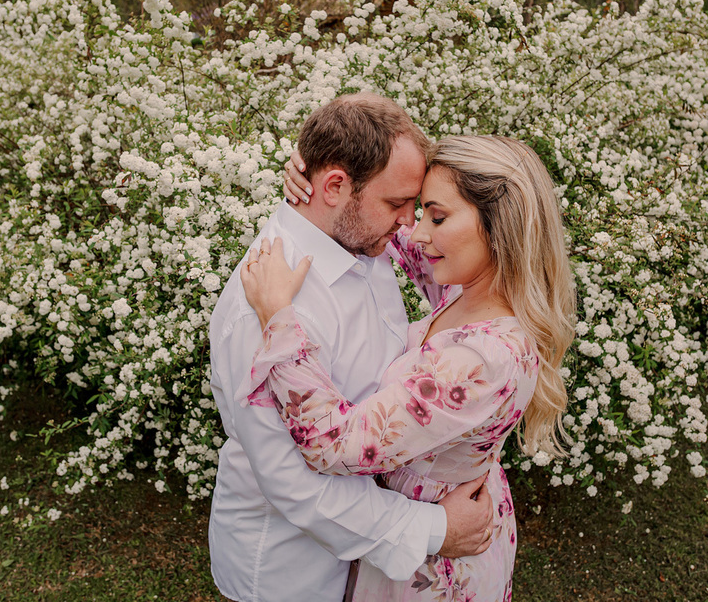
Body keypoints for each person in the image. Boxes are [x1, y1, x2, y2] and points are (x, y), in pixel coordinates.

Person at [238, 134, 577, 600]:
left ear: (501, 227)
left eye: (436, 217)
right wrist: (322, 184)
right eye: (417, 211)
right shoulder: (465, 290)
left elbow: (333, 444)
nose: (417, 231)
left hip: (431, 567)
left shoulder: (480, 361)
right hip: (428, 530)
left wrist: (278, 317)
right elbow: (383, 229)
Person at [208, 94, 496, 602]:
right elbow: (296, 483)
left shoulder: (362, 237)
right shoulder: (268, 301)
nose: (410, 222)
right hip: (290, 571)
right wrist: (435, 529)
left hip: (364, 561)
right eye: (396, 203)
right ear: (336, 185)